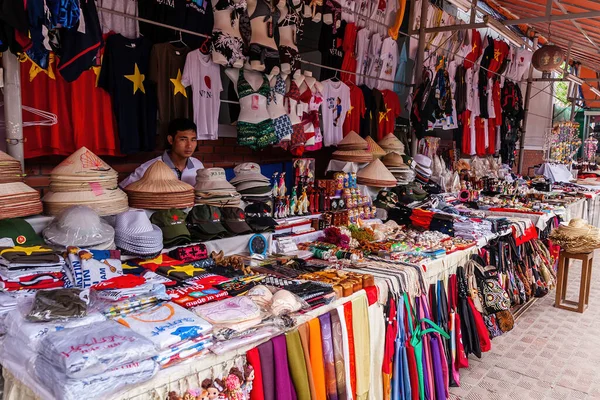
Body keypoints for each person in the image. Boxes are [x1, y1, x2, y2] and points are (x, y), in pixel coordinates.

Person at [120, 118, 204, 188]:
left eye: (193, 140)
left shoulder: (198, 166)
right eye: (183, 139)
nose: (189, 146)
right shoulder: (150, 167)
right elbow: (122, 189)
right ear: (171, 140)